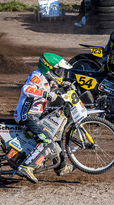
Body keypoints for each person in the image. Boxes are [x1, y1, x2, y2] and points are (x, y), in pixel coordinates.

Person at [14, 53, 74, 183]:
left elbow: (56, 83)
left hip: (36, 115)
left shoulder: (46, 77)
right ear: (49, 68)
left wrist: (66, 84)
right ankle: (27, 167)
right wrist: (46, 94)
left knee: (56, 131)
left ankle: (60, 166)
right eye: (58, 70)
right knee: (47, 141)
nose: (60, 73)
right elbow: (26, 89)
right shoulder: (36, 76)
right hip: (27, 116)